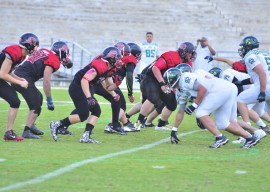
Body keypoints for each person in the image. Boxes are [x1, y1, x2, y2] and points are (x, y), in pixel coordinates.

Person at [164, 67, 259, 148]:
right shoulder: (180, 92)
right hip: (226, 89)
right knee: (223, 123)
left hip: (220, 89)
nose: (167, 85)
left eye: (167, 82)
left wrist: (194, 106)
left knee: (200, 113)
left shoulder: (185, 78)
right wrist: (174, 130)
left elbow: (202, 89)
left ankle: (220, 137)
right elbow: (180, 111)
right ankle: (250, 138)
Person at [49, 46, 124, 143]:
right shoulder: (100, 65)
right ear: (111, 58)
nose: (119, 61)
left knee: (96, 111)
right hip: (78, 86)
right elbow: (84, 80)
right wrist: (89, 97)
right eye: (117, 59)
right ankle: (57, 124)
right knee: (83, 114)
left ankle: (86, 136)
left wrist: (115, 89)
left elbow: (107, 86)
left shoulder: (110, 68)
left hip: (87, 86)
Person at [12, 41, 73, 139]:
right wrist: (49, 98)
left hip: (17, 75)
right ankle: (26, 131)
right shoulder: (54, 60)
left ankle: (31, 125)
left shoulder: (44, 51)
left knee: (39, 98)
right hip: (24, 79)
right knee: (36, 105)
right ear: (62, 52)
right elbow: (46, 80)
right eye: (66, 52)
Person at [135, 42, 196, 130]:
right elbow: (155, 68)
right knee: (153, 98)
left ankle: (161, 125)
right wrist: (162, 84)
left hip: (165, 82)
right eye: (189, 52)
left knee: (172, 104)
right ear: (183, 51)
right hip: (151, 77)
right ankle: (139, 123)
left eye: (191, 53)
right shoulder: (170, 56)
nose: (190, 55)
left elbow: (182, 78)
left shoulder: (188, 63)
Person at [0, 33, 40, 141]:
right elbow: (2, 74)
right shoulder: (14, 52)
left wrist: (18, 78)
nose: (36, 48)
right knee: (15, 101)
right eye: (35, 46)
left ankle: (9, 133)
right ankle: (9, 132)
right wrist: (19, 83)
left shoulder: (22, 54)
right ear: (29, 45)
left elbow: (8, 71)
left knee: (15, 101)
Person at [237, 36, 270, 135]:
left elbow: (262, 74)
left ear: (248, 46)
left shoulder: (250, 56)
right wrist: (241, 82)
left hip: (265, 86)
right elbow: (256, 77)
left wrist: (262, 92)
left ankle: (248, 131)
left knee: (240, 100)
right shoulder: (264, 54)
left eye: (243, 47)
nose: (242, 49)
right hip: (266, 84)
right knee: (259, 110)